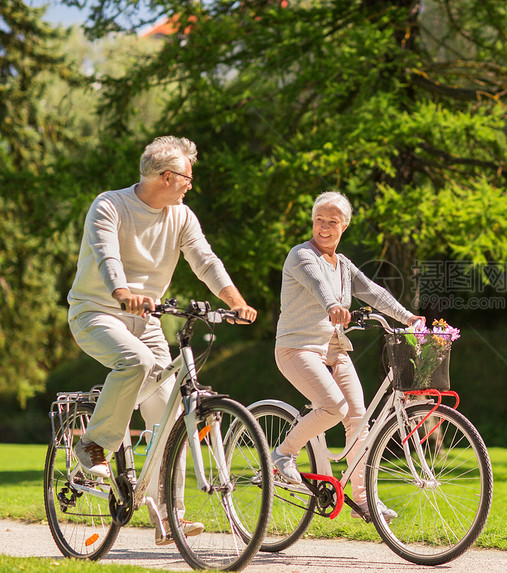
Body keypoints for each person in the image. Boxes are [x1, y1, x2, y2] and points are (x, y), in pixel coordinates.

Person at [67, 135, 258, 545]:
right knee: (133, 361)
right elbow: (106, 256)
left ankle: (169, 517)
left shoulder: (182, 216)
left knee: (170, 416)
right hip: (97, 313)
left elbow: (205, 260)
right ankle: (92, 445)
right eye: (188, 177)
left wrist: (235, 301)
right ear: (167, 176)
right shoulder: (110, 205)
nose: (191, 184)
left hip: (148, 320)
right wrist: (122, 293)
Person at [273, 191, 424, 521]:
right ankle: (284, 453)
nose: (324, 228)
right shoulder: (300, 255)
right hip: (296, 348)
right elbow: (317, 285)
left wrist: (408, 318)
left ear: (345, 227)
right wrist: (333, 307)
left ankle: (364, 499)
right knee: (333, 407)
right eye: (319, 220)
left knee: (358, 418)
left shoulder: (343, 265)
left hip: (333, 349)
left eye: (332, 222)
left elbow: (373, 292)